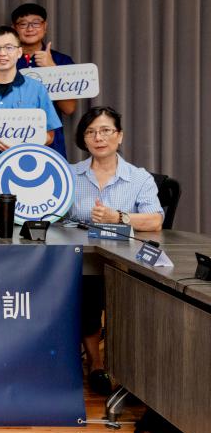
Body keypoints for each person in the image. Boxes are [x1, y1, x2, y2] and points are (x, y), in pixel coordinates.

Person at [68, 106, 164, 395]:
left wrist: (118, 217)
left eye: (105, 130)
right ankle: (96, 365)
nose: (98, 137)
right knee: (86, 289)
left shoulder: (139, 178)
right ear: (84, 139)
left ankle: (131, 368)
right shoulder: (69, 175)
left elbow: (155, 220)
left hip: (126, 261)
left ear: (119, 136)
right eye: (90, 132)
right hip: (81, 261)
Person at [0, 26, 60, 221]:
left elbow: (50, 136)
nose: (2, 53)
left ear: (19, 52)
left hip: (22, 175)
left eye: (8, 47)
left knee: (18, 234)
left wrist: (19, 147)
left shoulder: (37, 89)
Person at [8, 3, 76, 157]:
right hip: (10, 138)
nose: (30, 28)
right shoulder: (3, 60)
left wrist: (52, 69)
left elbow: (69, 108)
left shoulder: (62, 61)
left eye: (36, 23)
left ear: (45, 26)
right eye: (23, 24)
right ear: (14, 28)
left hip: (51, 142)